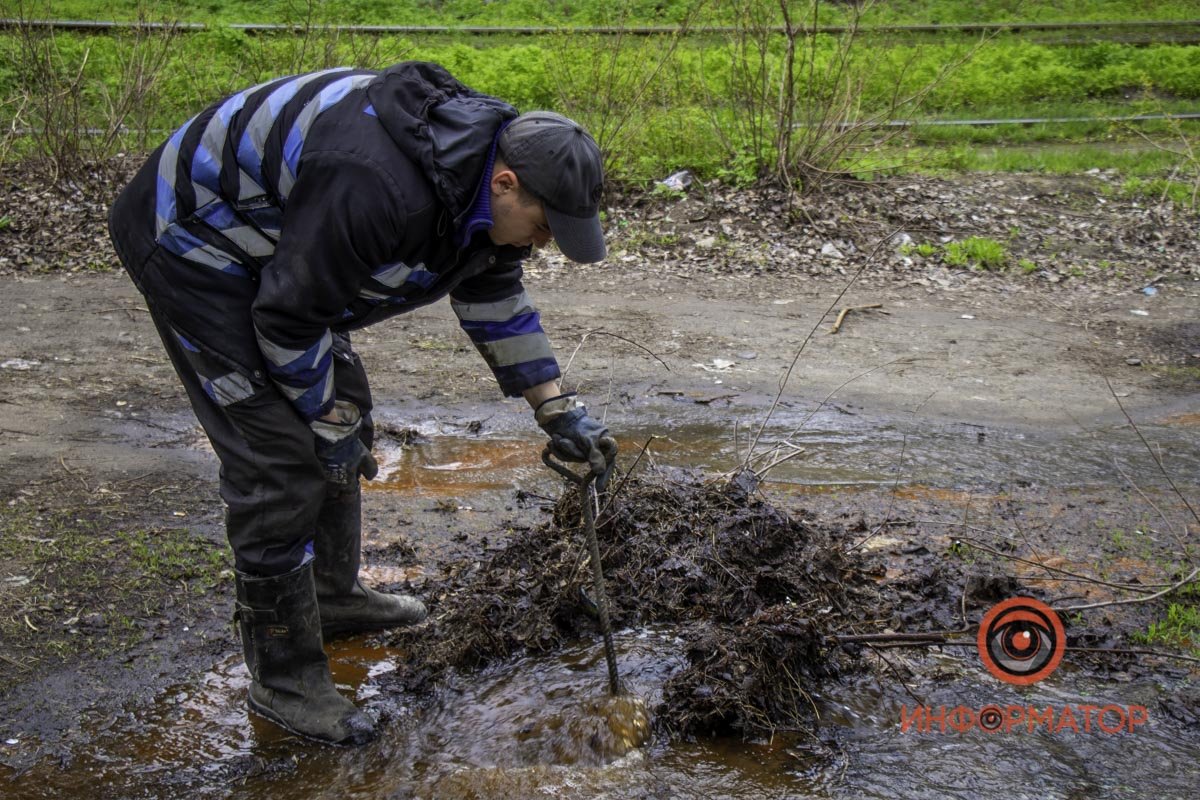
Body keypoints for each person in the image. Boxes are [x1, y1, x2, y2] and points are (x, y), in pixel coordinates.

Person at [107, 61, 618, 745]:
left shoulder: (475, 174)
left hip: (282, 247)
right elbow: (288, 320)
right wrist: (321, 423)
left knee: (344, 401)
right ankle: (283, 678)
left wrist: (557, 408)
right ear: (505, 183)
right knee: (280, 457)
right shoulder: (380, 185)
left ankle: (331, 594)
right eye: (545, 225)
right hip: (193, 238)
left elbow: (493, 291)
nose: (545, 243)